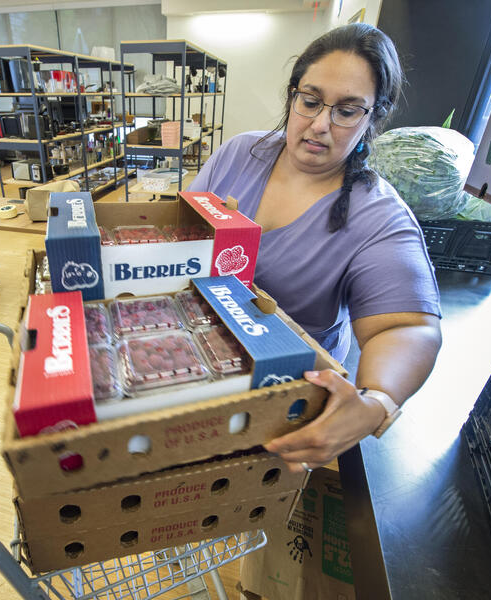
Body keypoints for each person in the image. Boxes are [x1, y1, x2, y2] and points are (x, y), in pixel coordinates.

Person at [188, 23, 443, 472]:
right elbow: (184, 234)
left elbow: (408, 328)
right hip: (197, 358)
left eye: (347, 111)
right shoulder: (236, 154)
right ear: (293, 96)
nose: (320, 125)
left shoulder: (377, 216)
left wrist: (376, 403)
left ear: (372, 117)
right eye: (310, 102)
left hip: (279, 399)